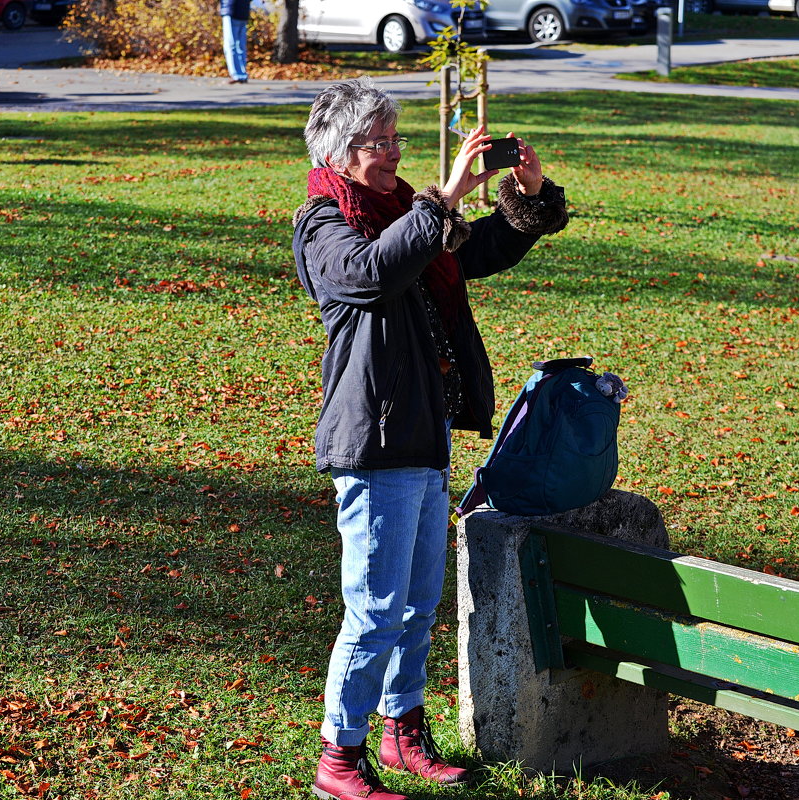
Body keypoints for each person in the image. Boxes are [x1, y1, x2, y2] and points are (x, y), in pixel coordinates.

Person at [292, 77, 568, 800]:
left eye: (393, 140)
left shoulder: (402, 213)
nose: (389, 154)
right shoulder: (324, 224)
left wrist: (527, 196)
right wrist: (438, 202)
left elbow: (477, 254)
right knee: (375, 610)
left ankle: (401, 729)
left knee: (415, 605)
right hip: (374, 438)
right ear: (339, 150)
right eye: (375, 143)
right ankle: (338, 762)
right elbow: (370, 272)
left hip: (425, 432)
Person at [220, 0, 249, 84]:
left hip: (231, 10)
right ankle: (242, 74)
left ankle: (236, 74)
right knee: (240, 45)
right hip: (243, 11)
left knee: (230, 45)